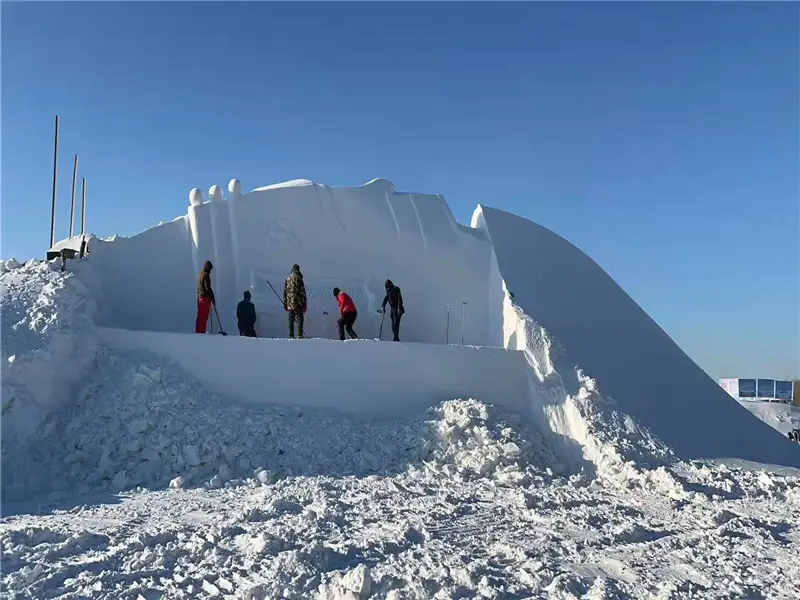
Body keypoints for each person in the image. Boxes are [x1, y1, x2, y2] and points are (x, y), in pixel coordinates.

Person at [283, 264, 307, 338]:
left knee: (291, 318)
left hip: (290, 302)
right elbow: (302, 292)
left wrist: (285, 303)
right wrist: (304, 303)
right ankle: (299, 335)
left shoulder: (287, 279)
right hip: (298, 301)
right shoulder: (299, 278)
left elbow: (285, 292)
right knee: (300, 318)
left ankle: (291, 335)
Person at [196, 260, 215, 333]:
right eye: (210, 269)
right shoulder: (206, 275)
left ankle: (198, 331)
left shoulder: (199, 274)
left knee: (200, 316)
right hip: (205, 298)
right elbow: (208, 288)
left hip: (199, 297)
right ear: (208, 268)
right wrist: (212, 298)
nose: (210, 271)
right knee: (204, 316)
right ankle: (201, 331)